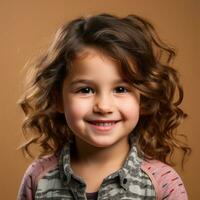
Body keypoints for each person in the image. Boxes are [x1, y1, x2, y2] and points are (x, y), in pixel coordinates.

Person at [17, 13, 191, 200]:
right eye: (85, 90)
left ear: (144, 99)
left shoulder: (163, 183)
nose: (103, 106)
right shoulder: (38, 177)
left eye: (121, 89)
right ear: (58, 99)